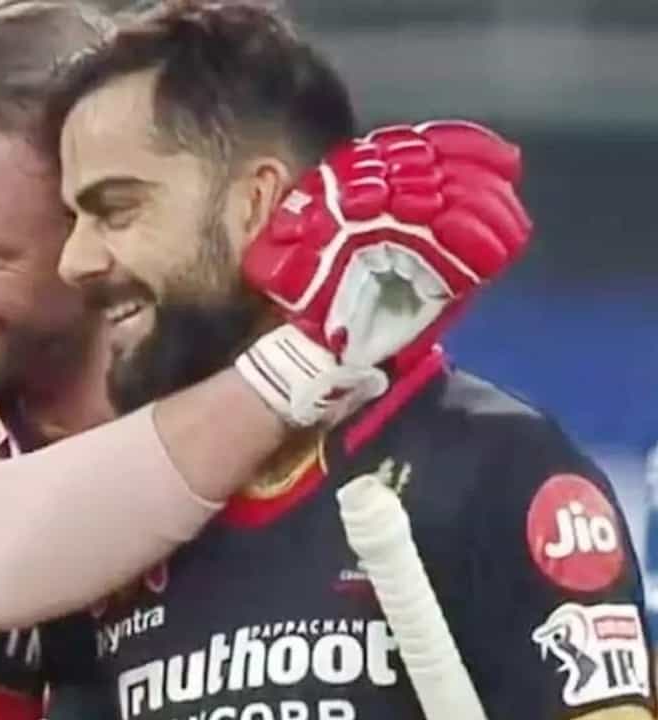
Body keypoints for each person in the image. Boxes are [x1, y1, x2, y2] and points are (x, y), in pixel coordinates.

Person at [42, 1, 653, 719]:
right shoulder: (114, 534)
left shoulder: (495, 470)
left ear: (256, 203)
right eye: (72, 220)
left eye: (116, 209)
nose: (74, 261)